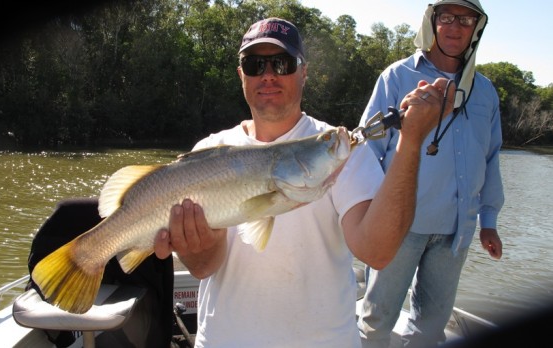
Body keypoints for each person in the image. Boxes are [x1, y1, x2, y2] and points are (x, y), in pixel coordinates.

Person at [153, 17, 455, 347]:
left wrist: (410, 143)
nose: (268, 74)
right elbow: (203, 267)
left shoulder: (337, 150)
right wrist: (195, 246)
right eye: (255, 64)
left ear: (303, 72)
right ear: (242, 75)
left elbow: (377, 251)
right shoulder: (208, 153)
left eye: (282, 63)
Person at [357, 1, 504, 347]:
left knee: (430, 329)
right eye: (447, 17)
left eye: (466, 19)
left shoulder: (485, 92)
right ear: (432, 22)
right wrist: (364, 215)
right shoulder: (396, 77)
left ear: (476, 28)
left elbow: (491, 157)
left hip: (456, 232)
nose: (455, 26)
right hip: (398, 226)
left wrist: (489, 220)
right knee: (376, 320)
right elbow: (365, 150)